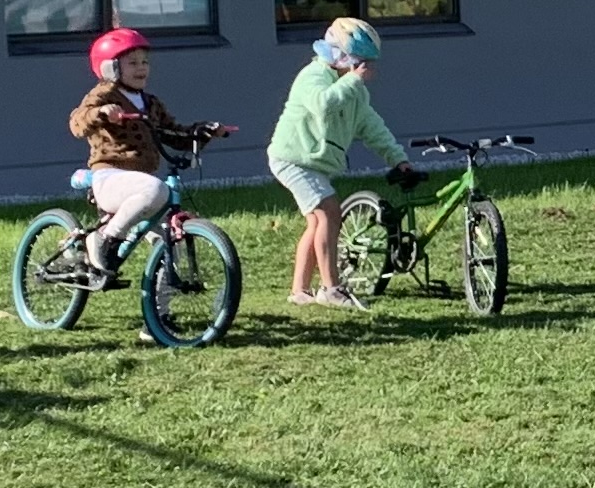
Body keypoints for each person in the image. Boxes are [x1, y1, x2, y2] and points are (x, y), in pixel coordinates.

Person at [267, 16, 412, 308]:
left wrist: (399, 159)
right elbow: (323, 104)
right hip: (292, 159)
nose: (365, 69)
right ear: (340, 55)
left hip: (315, 164)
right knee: (329, 211)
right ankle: (331, 288)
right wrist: (352, 80)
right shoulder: (313, 76)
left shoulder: (355, 91)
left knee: (316, 221)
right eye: (359, 61)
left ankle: (299, 291)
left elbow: (373, 128)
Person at [68, 27, 228, 286]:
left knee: (169, 240)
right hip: (110, 178)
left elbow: (174, 134)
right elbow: (77, 122)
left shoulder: (151, 103)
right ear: (110, 68)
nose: (141, 68)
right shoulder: (105, 94)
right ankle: (103, 239)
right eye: (132, 63)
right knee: (156, 189)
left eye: (144, 62)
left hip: (141, 186)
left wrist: (203, 131)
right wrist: (102, 113)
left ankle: (158, 320)